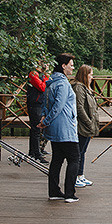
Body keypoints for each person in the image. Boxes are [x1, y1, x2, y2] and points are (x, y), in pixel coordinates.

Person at [40, 53, 80, 202]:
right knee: (74, 159)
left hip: (54, 129)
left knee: (57, 159)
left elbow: (45, 103)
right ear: (63, 66)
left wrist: (44, 118)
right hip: (65, 128)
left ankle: (54, 191)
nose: (73, 68)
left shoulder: (50, 81)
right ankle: (70, 193)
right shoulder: (63, 83)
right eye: (71, 65)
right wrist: (46, 120)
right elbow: (58, 105)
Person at [73, 64, 98, 188]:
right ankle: (75, 176)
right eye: (90, 75)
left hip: (88, 124)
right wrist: (88, 122)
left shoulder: (86, 87)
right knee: (79, 152)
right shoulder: (78, 88)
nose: (92, 77)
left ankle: (80, 174)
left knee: (82, 151)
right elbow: (79, 107)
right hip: (82, 125)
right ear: (85, 75)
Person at [25, 62, 48, 162]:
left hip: (40, 104)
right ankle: (37, 154)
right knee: (36, 129)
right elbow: (43, 87)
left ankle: (33, 151)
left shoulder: (40, 75)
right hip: (34, 104)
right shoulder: (33, 74)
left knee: (36, 129)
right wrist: (46, 76)